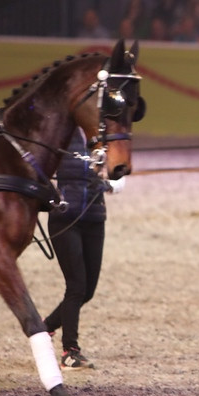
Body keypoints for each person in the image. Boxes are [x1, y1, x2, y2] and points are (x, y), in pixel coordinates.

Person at [44, 128, 123, 369]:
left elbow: (120, 178)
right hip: (66, 218)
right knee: (76, 286)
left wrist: (109, 182)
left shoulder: (103, 136)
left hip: (95, 218)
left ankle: (45, 327)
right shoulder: (60, 131)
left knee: (87, 290)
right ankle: (71, 350)